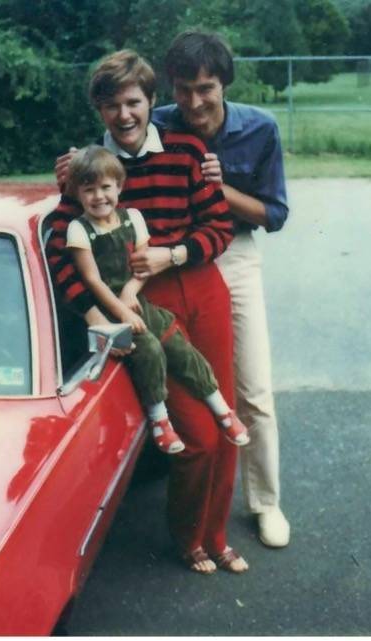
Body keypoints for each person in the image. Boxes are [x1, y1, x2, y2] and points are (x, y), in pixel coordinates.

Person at [47, 50, 248, 574]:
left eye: (133, 102)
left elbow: (219, 227)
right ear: (99, 110)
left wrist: (172, 253)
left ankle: (217, 535)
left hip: (202, 289)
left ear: (151, 102)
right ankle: (189, 537)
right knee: (198, 435)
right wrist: (93, 314)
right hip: (144, 305)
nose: (124, 115)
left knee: (225, 417)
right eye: (111, 106)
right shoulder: (90, 168)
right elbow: (60, 252)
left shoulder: (186, 150)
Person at [151, 30, 290, 548]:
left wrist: (220, 189)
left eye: (205, 88)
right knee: (177, 383)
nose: (193, 102)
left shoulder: (259, 127)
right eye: (183, 89)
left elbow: (274, 214)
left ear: (224, 84)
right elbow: (108, 170)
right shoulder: (155, 122)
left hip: (232, 252)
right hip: (170, 258)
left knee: (253, 390)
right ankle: (187, 499)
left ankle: (266, 503)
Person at [65, 144, 250, 455]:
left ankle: (222, 410)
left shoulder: (132, 218)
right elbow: (93, 280)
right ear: (77, 193)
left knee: (179, 345)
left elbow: (143, 264)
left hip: (135, 300)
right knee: (149, 349)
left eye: (105, 187)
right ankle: (159, 419)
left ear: (119, 187)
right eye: (89, 190)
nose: (99, 196)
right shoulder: (79, 229)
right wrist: (122, 311)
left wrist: (130, 292)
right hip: (109, 311)